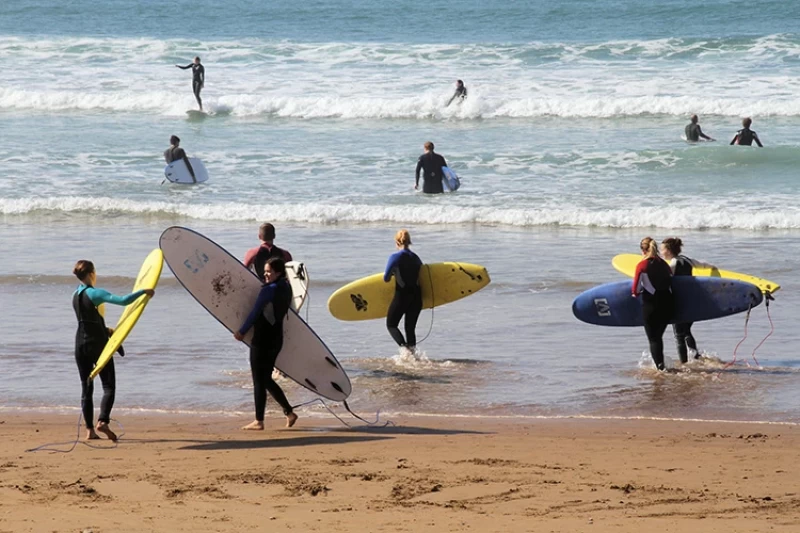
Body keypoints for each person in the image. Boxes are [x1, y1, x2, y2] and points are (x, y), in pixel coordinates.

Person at [72, 260, 155, 441]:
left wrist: (109, 331)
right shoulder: (96, 293)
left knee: (86, 388)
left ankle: (90, 431)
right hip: (97, 345)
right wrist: (144, 292)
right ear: (92, 273)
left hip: (80, 344)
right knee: (108, 386)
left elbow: (89, 321)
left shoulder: (75, 295)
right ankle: (103, 421)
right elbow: (123, 301)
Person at [234, 257, 298, 430]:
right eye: (265, 271)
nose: (265, 274)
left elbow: (255, 312)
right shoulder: (286, 287)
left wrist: (242, 331)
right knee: (266, 379)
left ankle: (259, 421)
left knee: (258, 380)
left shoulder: (268, 290)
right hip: (277, 338)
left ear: (278, 272)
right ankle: (289, 413)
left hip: (262, 339)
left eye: (269, 271)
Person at [660, 238, 715, 364]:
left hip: (679, 303)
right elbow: (706, 266)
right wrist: (714, 273)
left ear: (668, 250)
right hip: (691, 302)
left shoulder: (673, 263)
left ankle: (684, 364)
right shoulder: (687, 260)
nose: (661, 252)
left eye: (662, 249)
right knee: (686, 331)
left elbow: (666, 280)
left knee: (679, 335)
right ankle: (695, 357)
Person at [632, 237, 674, 371]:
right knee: (658, 337)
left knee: (653, 339)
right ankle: (661, 366)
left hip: (651, 306)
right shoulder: (664, 264)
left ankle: (661, 370)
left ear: (643, 250)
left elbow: (636, 290)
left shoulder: (642, 265)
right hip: (668, 304)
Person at [384, 229, 423, 352]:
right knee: (410, 328)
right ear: (409, 242)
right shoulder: (416, 258)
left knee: (391, 325)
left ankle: (405, 350)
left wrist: (392, 274)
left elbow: (386, 278)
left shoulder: (395, 257)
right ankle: (413, 354)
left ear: (396, 242)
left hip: (402, 296)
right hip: (417, 297)